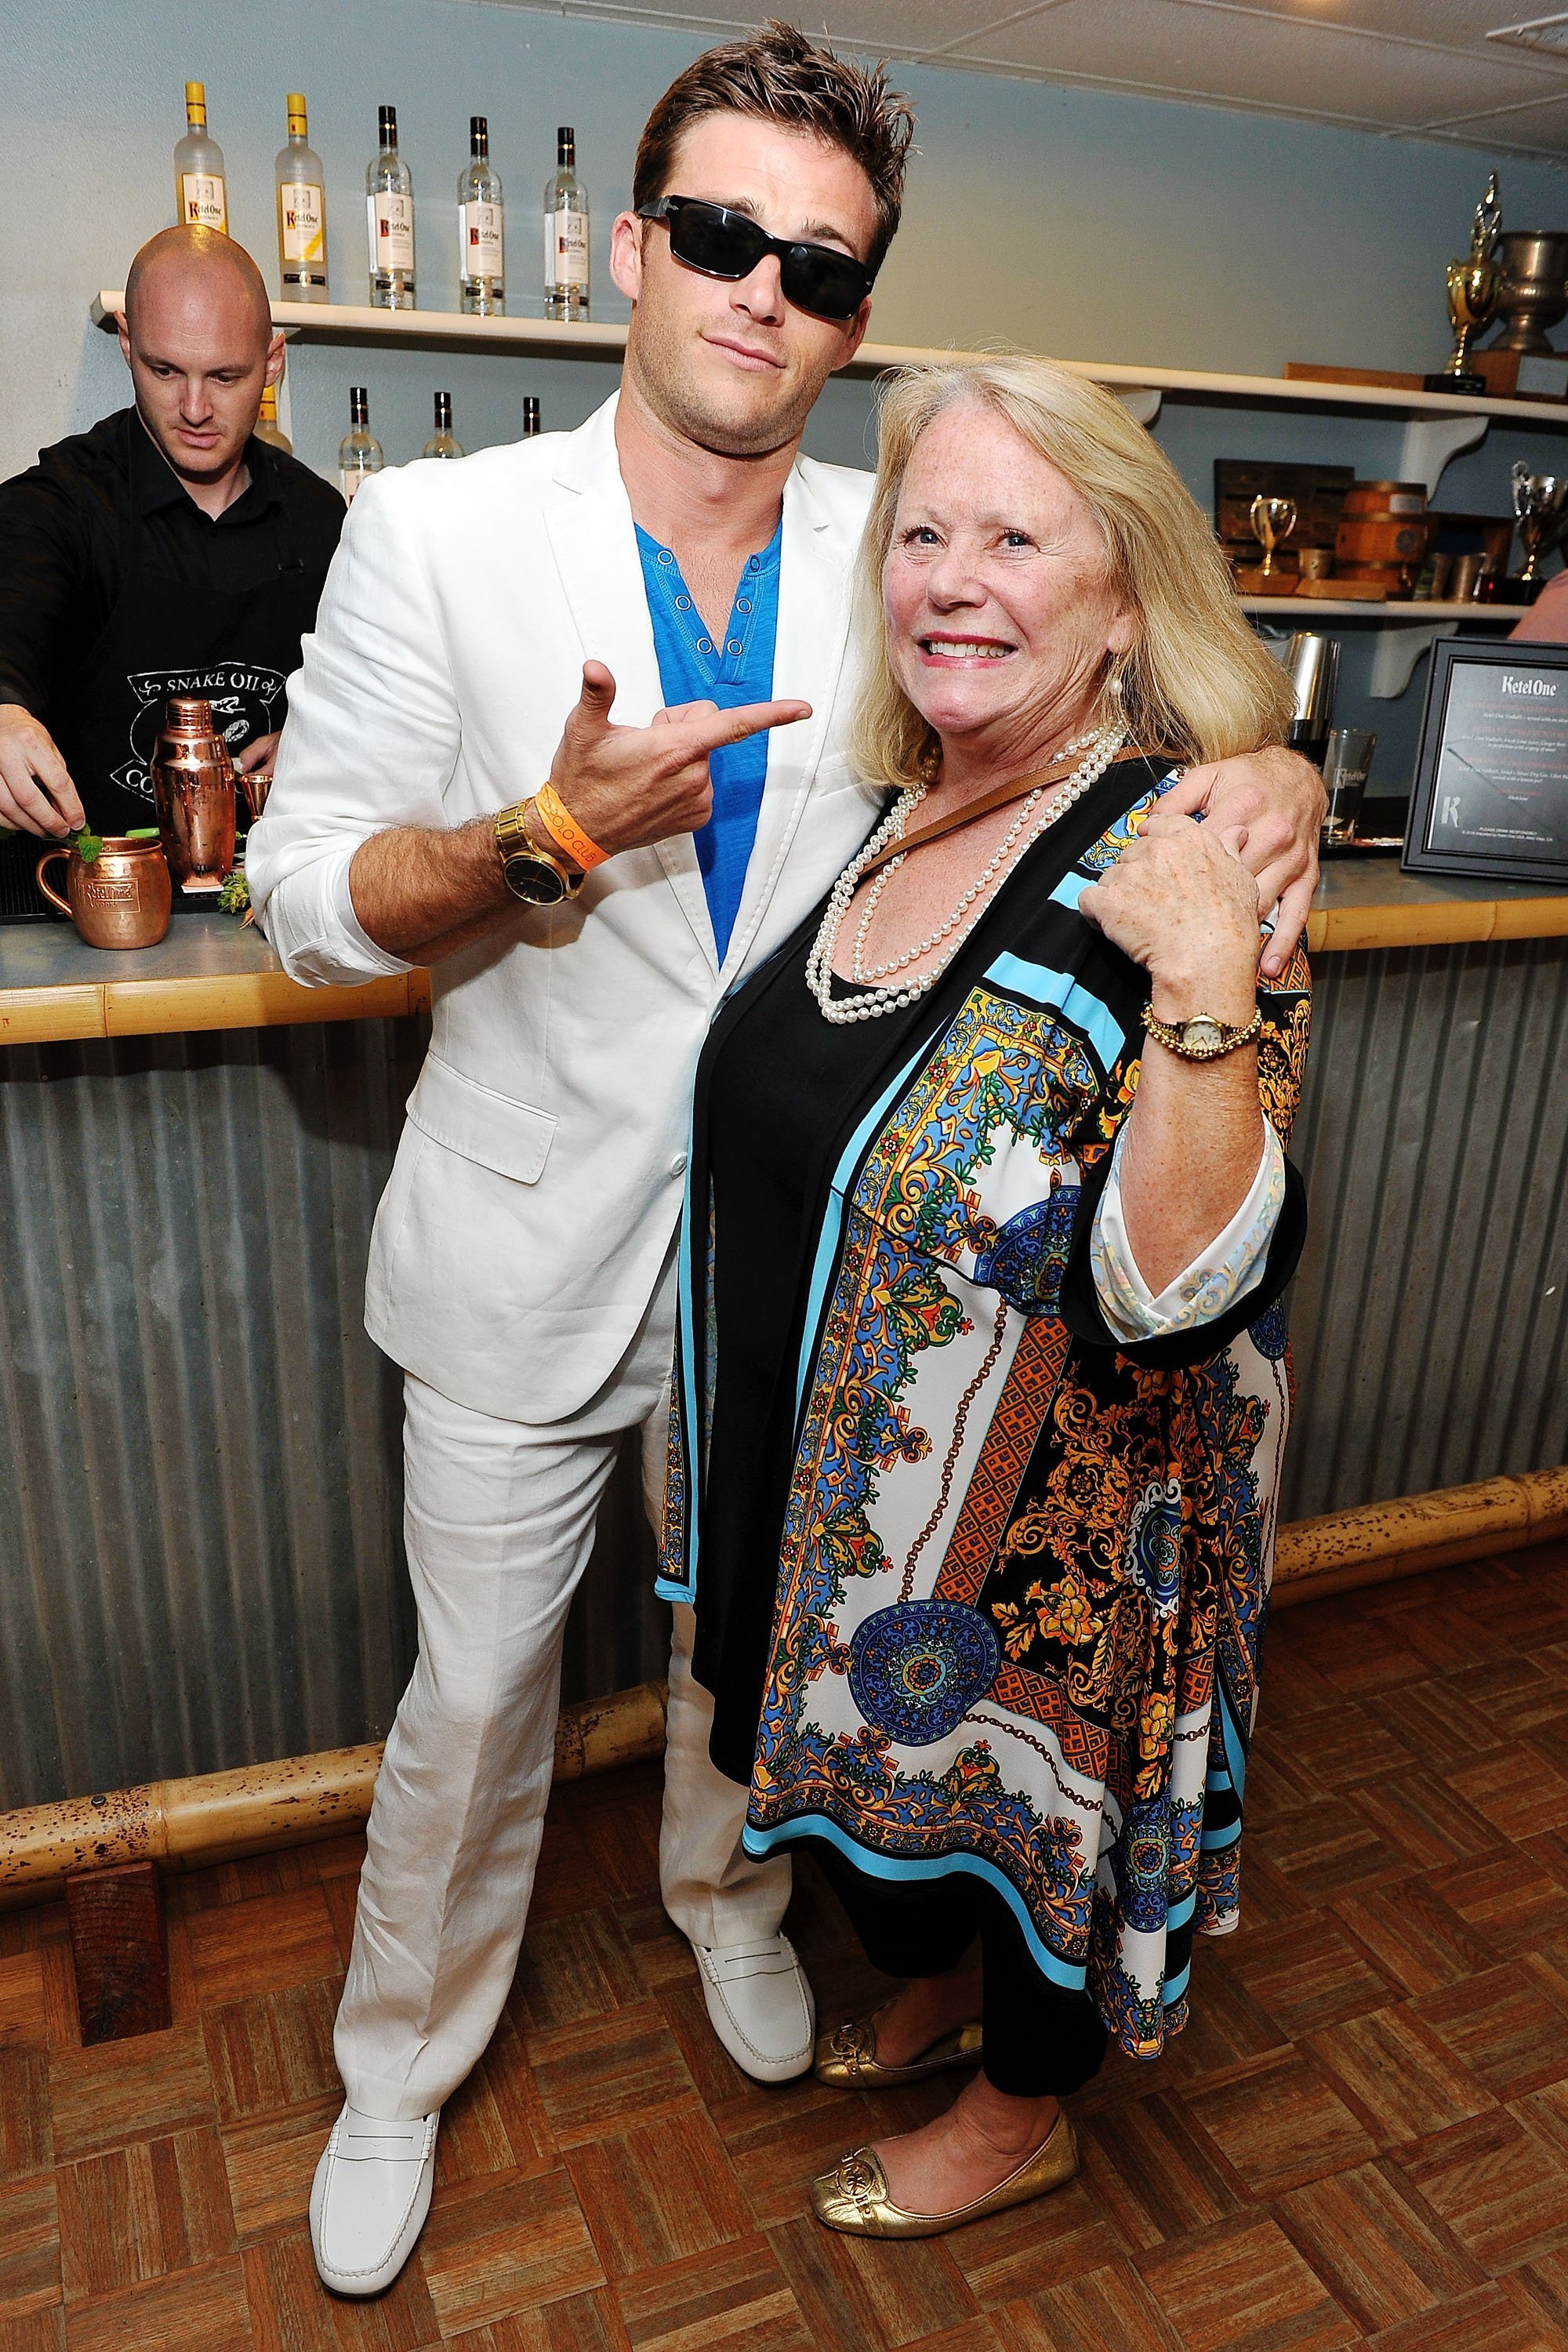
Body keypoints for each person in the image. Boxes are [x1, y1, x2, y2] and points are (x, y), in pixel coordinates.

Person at [245, 24, 1325, 2299]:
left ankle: (731, 1903)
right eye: (720, 236)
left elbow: (1120, 688)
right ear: (634, 250)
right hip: (524, 1237)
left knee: (771, 1618)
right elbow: (305, 899)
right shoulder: (436, 531)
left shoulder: (905, 537)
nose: (761, 291)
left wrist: (1282, 782)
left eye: (818, 265)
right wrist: (533, 842)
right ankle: (398, 2062)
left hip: (807, 1272)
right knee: (475, 1697)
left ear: (856, 311)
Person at [660, 354, 1311, 2239]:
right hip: (848, 1486)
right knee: (877, 1806)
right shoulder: (904, 803)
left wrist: (1202, 981)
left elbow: (1185, 1277)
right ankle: (930, 1978)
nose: (953, 574)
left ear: (1118, 595)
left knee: (1007, 1807)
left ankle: (1023, 2103)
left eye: (1015, 535)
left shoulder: (1194, 852)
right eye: (921, 530)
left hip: (1045, 1559)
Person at [0, 226, 343, 904]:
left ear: (274, 360)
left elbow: (383, 702)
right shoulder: (61, 504)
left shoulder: (322, 520)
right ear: (126, 344)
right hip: (78, 926)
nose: (194, 409)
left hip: (267, 923)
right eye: (163, 371)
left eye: (225, 376)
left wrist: (323, 740)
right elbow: (13, 604)